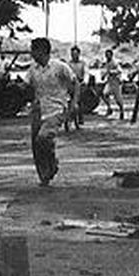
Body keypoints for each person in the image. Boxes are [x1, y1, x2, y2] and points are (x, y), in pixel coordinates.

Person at [27, 38, 77, 187]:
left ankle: (52, 161)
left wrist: (73, 104)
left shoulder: (60, 67)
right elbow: (27, 85)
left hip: (56, 109)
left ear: (42, 51)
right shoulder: (32, 69)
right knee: (36, 144)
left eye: (33, 50)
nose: (31, 53)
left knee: (43, 138)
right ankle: (44, 175)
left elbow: (75, 84)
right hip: (38, 109)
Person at [66, 46, 87, 128]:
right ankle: (70, 119)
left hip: (80, 83)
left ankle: (79, 118)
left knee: (79, 102)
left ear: (79, 54)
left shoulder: (82, 63)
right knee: (70, 103)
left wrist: (84, 80)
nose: (74, 55)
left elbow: (85, 73)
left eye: (76, 54)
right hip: (70, 84)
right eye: (72, 54)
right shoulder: (68, 64)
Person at [101, 49, 124, 119]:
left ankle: (122, 111)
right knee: (104, 94)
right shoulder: (106, 63)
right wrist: (103, 75)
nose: (107, 56)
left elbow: (119, 71)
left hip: (116, 82)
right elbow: (105, 71)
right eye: (106, 55)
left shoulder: (115, 62)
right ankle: (109, 107)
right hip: (109, 82)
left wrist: (112, 72)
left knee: (118, 98)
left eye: (109, 55)